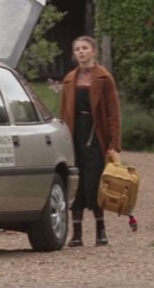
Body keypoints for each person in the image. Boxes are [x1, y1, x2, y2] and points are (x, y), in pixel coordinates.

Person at [59, 35, 122, 247]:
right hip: (75, 134)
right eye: (77, 49)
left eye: (85, 48)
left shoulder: (104, 78)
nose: (81, 52)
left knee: (94, 181)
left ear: (93, 51)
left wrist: (114, 144)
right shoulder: (69, 79)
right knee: (75, 183)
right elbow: (64, 111)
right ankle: (76, 233)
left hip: (96, 136)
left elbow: (113, 113)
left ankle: (100, 230)